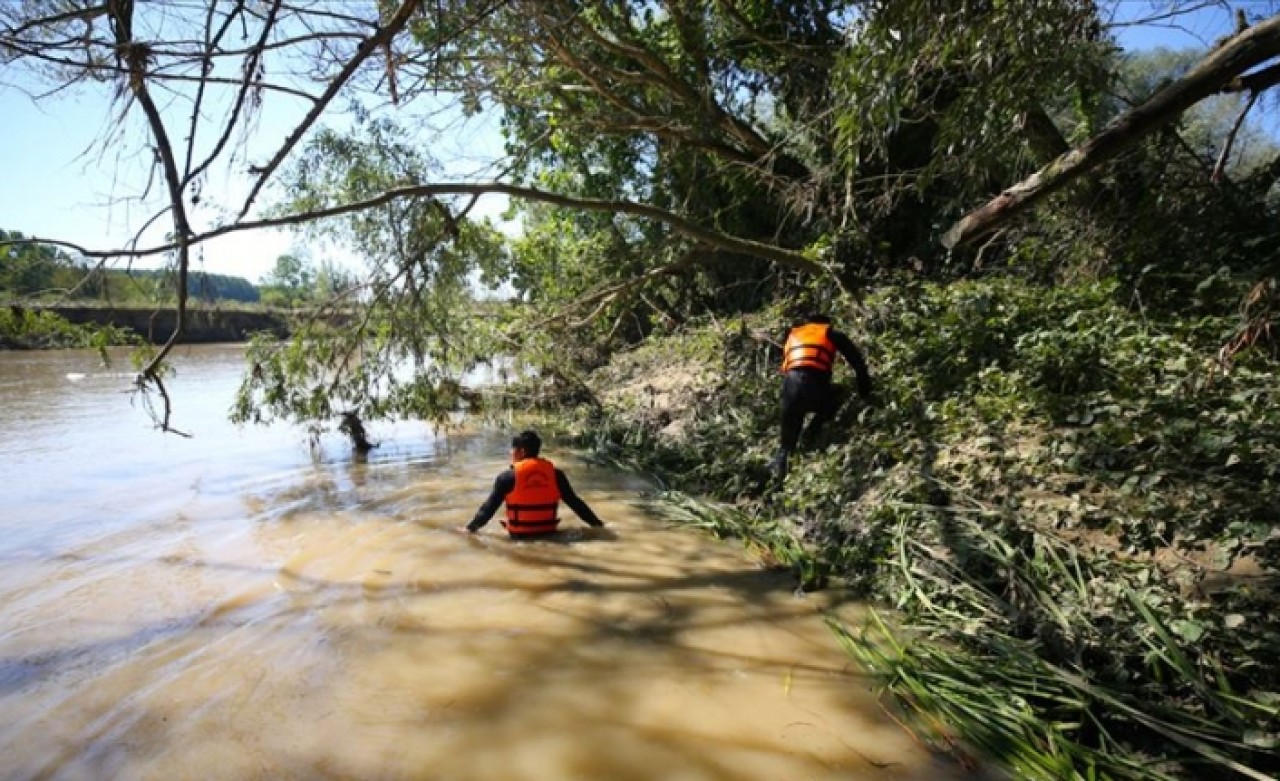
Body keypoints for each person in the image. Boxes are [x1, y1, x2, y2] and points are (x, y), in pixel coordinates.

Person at [771, 314, 873, 482]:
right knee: (838, 394)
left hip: (789, 391)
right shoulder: (832, 334)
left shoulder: (793, 334)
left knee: (786, 447)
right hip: (812, 387)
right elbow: (859, 366)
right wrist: (866, 394)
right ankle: (812, 433)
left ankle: (777, 482)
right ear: (826, 324)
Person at [461, 430, 606, 538]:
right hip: (549, 534)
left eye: (513, 450)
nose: (511, 454)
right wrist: (598, 525)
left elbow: (488, 509)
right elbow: (575, 503)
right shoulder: (556, 475)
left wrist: (469, 529)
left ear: (521, 451)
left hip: (519, 538)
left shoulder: (507, 478)